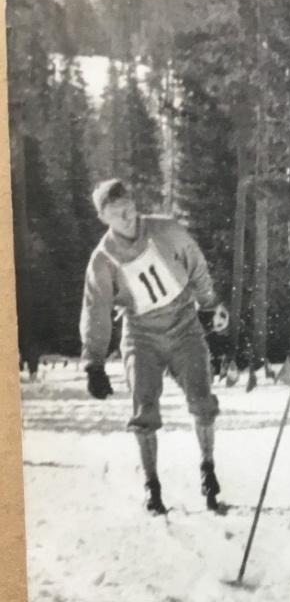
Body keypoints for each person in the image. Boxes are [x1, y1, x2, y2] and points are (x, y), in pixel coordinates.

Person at [80, 179, 230, 514]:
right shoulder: (103, 260)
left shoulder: (166, 229)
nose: (127, 218)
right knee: (144, 410)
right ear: (104, 218)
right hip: (141, 334)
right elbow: (96, 309)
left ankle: (207, 469)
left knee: (202, 400)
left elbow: (196, 263)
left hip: (183, 324)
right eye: (117, 215)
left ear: (135, 203)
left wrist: (208, 304)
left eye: (129, 208)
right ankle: (152, 486)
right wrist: (94, 362)